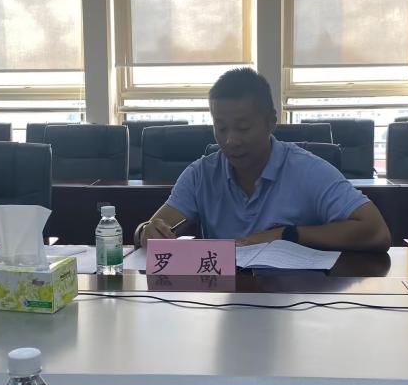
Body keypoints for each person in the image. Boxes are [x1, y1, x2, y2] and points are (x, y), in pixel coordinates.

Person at [135, 67, 391, 251]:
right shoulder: (201, 174)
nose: (231, 140)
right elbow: (155, 227)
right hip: (225, 300)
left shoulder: (307, 170)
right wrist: (146, 231)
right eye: (221, 128)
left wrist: (287, 235)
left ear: (271, 121)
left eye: (243, 128)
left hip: (296, 298)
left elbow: (376, 231)